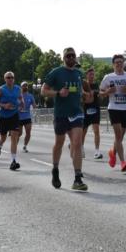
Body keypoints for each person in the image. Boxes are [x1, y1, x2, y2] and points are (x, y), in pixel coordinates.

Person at [42, 47, 87, 191]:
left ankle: (77, 178)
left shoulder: (79, 74)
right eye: (68, 56)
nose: (71, 58)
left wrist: (85, 95)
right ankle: (55, 169)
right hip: (61, 114)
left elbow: (82, 91)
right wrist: (58, 93)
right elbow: (43, 91)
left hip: (76, 113)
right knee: (59, 143)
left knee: (77, 143)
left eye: (73, 55)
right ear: (64, 58)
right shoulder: (56, 72)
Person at [100, 53, 126, 173]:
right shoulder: (108, 77)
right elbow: (100, 93)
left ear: (124, 64)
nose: (119, 64)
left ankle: (113, 152)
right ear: (113, 65)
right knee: (118, 136)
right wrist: (107, 91)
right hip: (113, 108)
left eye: (121, 62)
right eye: (116, 62)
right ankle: (122, 162)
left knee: (120, 138)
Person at [0, 72, 23, 170]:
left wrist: (21, 104)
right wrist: (3, 105)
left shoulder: (18, 89)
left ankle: (13, 161)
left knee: (14, 137)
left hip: (14, 115)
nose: (10, 79)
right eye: (8, 77)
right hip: (4, 117)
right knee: (3, 138)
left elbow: (20, 99)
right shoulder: (1, 89)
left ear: (14, 79)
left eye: (12, 77)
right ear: (5, 79)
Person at [81, 68, 103, 160]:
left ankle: (97, 151)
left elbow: (99, 94)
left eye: (93, 74)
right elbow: (82, 94)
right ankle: (81, 149)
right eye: (90, 74)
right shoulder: (84, 84)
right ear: (87, 75)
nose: (92, 76)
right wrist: (88, 93)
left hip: (95, 109)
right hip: (86, 110)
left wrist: (99, 94)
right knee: (84, 131)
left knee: (96, 130)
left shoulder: (96, 84)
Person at [18, 81, 35, 153]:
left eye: (26, 86)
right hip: (18, 117)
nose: (25, 87)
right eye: (24, 86)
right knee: (19, 133)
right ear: (21, 87)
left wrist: (34, 106)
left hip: (27, 116)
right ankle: (14, 144)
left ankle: (25, 146)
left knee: (28, 132)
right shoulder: (18, 95)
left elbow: (34, 105)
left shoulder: (30, 96)